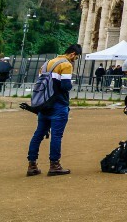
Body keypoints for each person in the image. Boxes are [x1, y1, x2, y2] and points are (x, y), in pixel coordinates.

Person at [26, 43, 82, 177]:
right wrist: (71, 84)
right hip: (58, 104)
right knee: (56, 136)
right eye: (77, 57)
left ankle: (32, 165)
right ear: (73, 54)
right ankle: (54, 165)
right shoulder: (66, 64)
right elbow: (65, 86)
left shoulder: (48, 63)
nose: (75, 60)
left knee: (38, 134)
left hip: (43, 104)